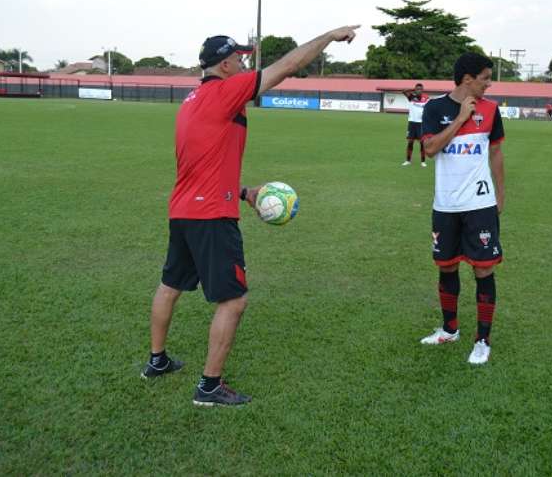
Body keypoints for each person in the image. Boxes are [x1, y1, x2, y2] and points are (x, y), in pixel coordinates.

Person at [141, 25, 360, 406]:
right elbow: (289, 65)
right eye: (239, 58)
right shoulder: (227, 90)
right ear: (225, 64)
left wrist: (243, 192)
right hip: (211, 216)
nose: (243, 62)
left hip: (184, 211)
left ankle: (156, 361)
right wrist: (329, 36)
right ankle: (209, 387)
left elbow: (201, 164)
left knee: (170, 285)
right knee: (234, 300)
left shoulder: (192, 100)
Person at [418, 52, 505, 365]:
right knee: (447, 266)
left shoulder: (492, 110)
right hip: (446, 205)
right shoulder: (435, 108)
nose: (489, 84)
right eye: (485, 78)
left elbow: (495, 154)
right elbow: (428, 148)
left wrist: (500, 196)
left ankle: (482, 340)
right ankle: (449, 329)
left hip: (480, 203)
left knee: (483, 268)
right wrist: (460, 120)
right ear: (468, 79)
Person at [401, 83, 430, 167]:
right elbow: (404, 91)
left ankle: (423, 162)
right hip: (412, 123)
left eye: (420, 89)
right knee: (410, 142)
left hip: (421, 123)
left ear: (422, 90)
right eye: (417, 89)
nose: (419, 91)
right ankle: (408, 161)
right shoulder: (411, 97)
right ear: (415, 89)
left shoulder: (426, 98)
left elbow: (428, 109)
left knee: (422, 143)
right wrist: (412, 90)